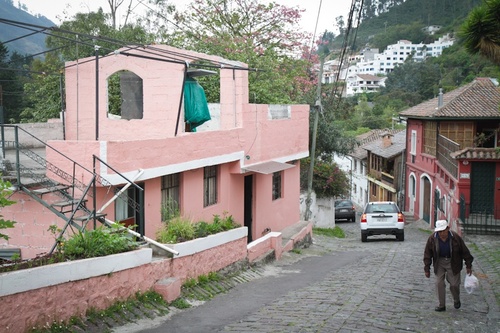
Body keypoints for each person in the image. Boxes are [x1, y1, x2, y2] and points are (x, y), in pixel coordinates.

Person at [423, 219, 474, 312]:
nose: (442, 233)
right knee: (439, 283)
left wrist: (468, 265)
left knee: (454, 284)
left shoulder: (455, 237)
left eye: (443, 230)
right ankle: (441, 305)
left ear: (448, 229)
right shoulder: (432, 238)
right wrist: (427, 268)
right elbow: (427, 254)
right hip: (440, 262)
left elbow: (465, 251)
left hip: (453, 262)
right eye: (440, 231)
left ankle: (456, 299)